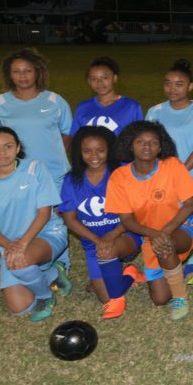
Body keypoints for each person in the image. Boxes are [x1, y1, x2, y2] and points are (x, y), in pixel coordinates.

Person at [0, 127, 70, 322]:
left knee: (21, 262)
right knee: (20, 308)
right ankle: (52, 274)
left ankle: (46, 297)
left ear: (18, 148)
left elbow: (44, 213)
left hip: (46, 233)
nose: (2, 152)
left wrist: (21, 244)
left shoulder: (34, 168)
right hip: (9, 244)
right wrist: (8, 244)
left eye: (8, 146)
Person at [105, 120, 193, 321]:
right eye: (140, 142)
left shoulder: (172, 166)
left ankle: (181, 298)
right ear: (130, 145)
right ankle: (191, 269)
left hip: (186, 226)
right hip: (151, 236)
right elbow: (126, 219)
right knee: (160, 298)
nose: (147, 147)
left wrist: (163, 233)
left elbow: (190, 205)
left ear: (160, 147)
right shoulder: (119, 177)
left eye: (153, 142)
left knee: (164, 246)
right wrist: (154, 234)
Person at [59, 126, 142, 320]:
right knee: (106, 297)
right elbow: (70, 219)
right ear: (79, 153)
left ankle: (119, 264)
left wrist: (111, 236)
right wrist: (98, 240)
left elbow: (136, 214)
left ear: (110, 150)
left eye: (100, 150)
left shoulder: (122, 173)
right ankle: (130, 274)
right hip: (93, 243)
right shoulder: (72, 180)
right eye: (87, 151)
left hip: (124, 234)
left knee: (109, 254)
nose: (94, 156)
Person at [146, 59, 193, 273]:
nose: (172, 88)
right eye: (168, 83)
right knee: (168, 217)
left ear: (190, 86)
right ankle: (177, 256)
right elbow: (146, 144)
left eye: (179, 84)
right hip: (160, 178)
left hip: (190, 175)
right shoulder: (155, 111)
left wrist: (178, 173)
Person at [0, 49, 71, 188]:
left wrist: (53, 154)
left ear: (37, 72)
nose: (22, 75)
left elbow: (68, 132)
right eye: (16, 71)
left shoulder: (55, 101)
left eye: (28, 70)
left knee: (56, 210)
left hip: (53, 173)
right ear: (10, 75)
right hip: (16, 173)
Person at [69, 56, 142, 136]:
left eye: (105, 78)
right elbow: (75, 138)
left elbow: (139, 137)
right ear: (89, 82)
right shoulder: (82, 107)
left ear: (115, 78)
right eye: (94, 79)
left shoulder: (131, 107)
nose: (99, 83)